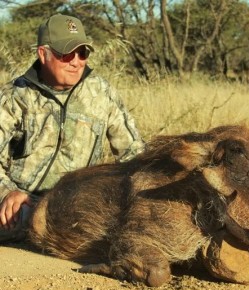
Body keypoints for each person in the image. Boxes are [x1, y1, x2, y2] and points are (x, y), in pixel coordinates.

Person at [0, 14, 144, 243]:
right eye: (66, 53)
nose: (76, 61)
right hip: (24, 203)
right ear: (43, 54)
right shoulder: (14, 97)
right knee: (19, 219)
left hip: (79, 206)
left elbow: (134, 154)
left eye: (83, 53)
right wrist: (7, 191)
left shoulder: (101, 93)